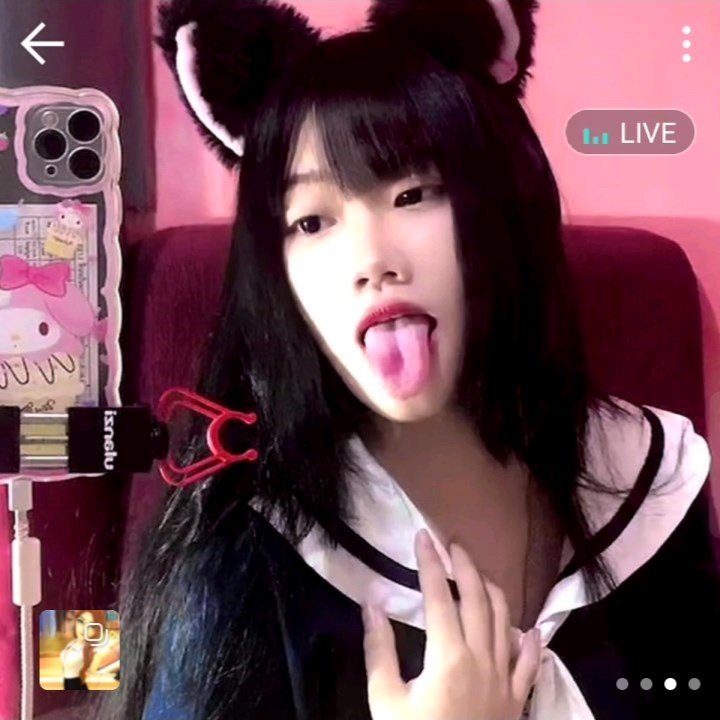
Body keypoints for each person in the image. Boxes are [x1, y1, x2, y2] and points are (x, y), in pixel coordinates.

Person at [97, 1, 720, 718]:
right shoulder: (241, 552)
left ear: (505, 205)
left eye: (413, 193)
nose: (371, 258)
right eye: (310, 221)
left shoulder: (649, 477)